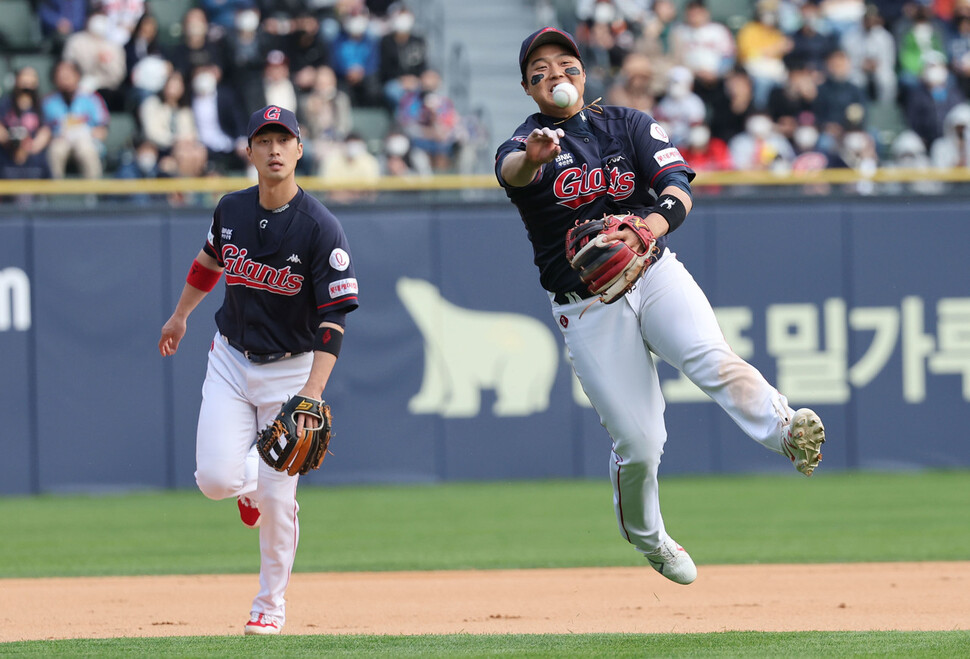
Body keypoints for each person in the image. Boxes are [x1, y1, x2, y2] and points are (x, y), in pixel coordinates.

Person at [495, 27, 826, 585]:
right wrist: (532, 156)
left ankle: (785, 429)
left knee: (710, 356)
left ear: (583, 73)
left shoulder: (629, 124)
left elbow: (676, 186)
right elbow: (512, 172)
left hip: (653, 270)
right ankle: (648, 537)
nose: (555, 75)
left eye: (565, 63)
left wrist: (646, 228)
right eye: (540, 70)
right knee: (642, 444)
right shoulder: (523, 143)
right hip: (589, 304)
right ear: (528, 87)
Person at [158, 105, 359, 635]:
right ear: (248, 151)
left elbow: (334, 316)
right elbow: (208, 263)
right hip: (229, 357)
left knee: (279, 497)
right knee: (215, 480)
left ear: (299, 149)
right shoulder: (231, 209)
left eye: (283, 139)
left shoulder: (320, 227)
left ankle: (270, 605)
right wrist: (181, 315)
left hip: (291, 372)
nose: (274, 149)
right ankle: (253, 487)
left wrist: (312, 394)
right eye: (263, 139)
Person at [42, 58, 110, 179]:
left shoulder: (92, 98)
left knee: (86, 150)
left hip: (86, 140)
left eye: (69, 73)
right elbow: (44, 130)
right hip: (60, 139)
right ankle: (55, 194)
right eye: (61, 74)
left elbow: (103, 129)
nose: (65, 77)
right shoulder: (48, 102)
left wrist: (86, 133)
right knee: (56, 151)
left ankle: (93, 195)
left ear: (78, 76)